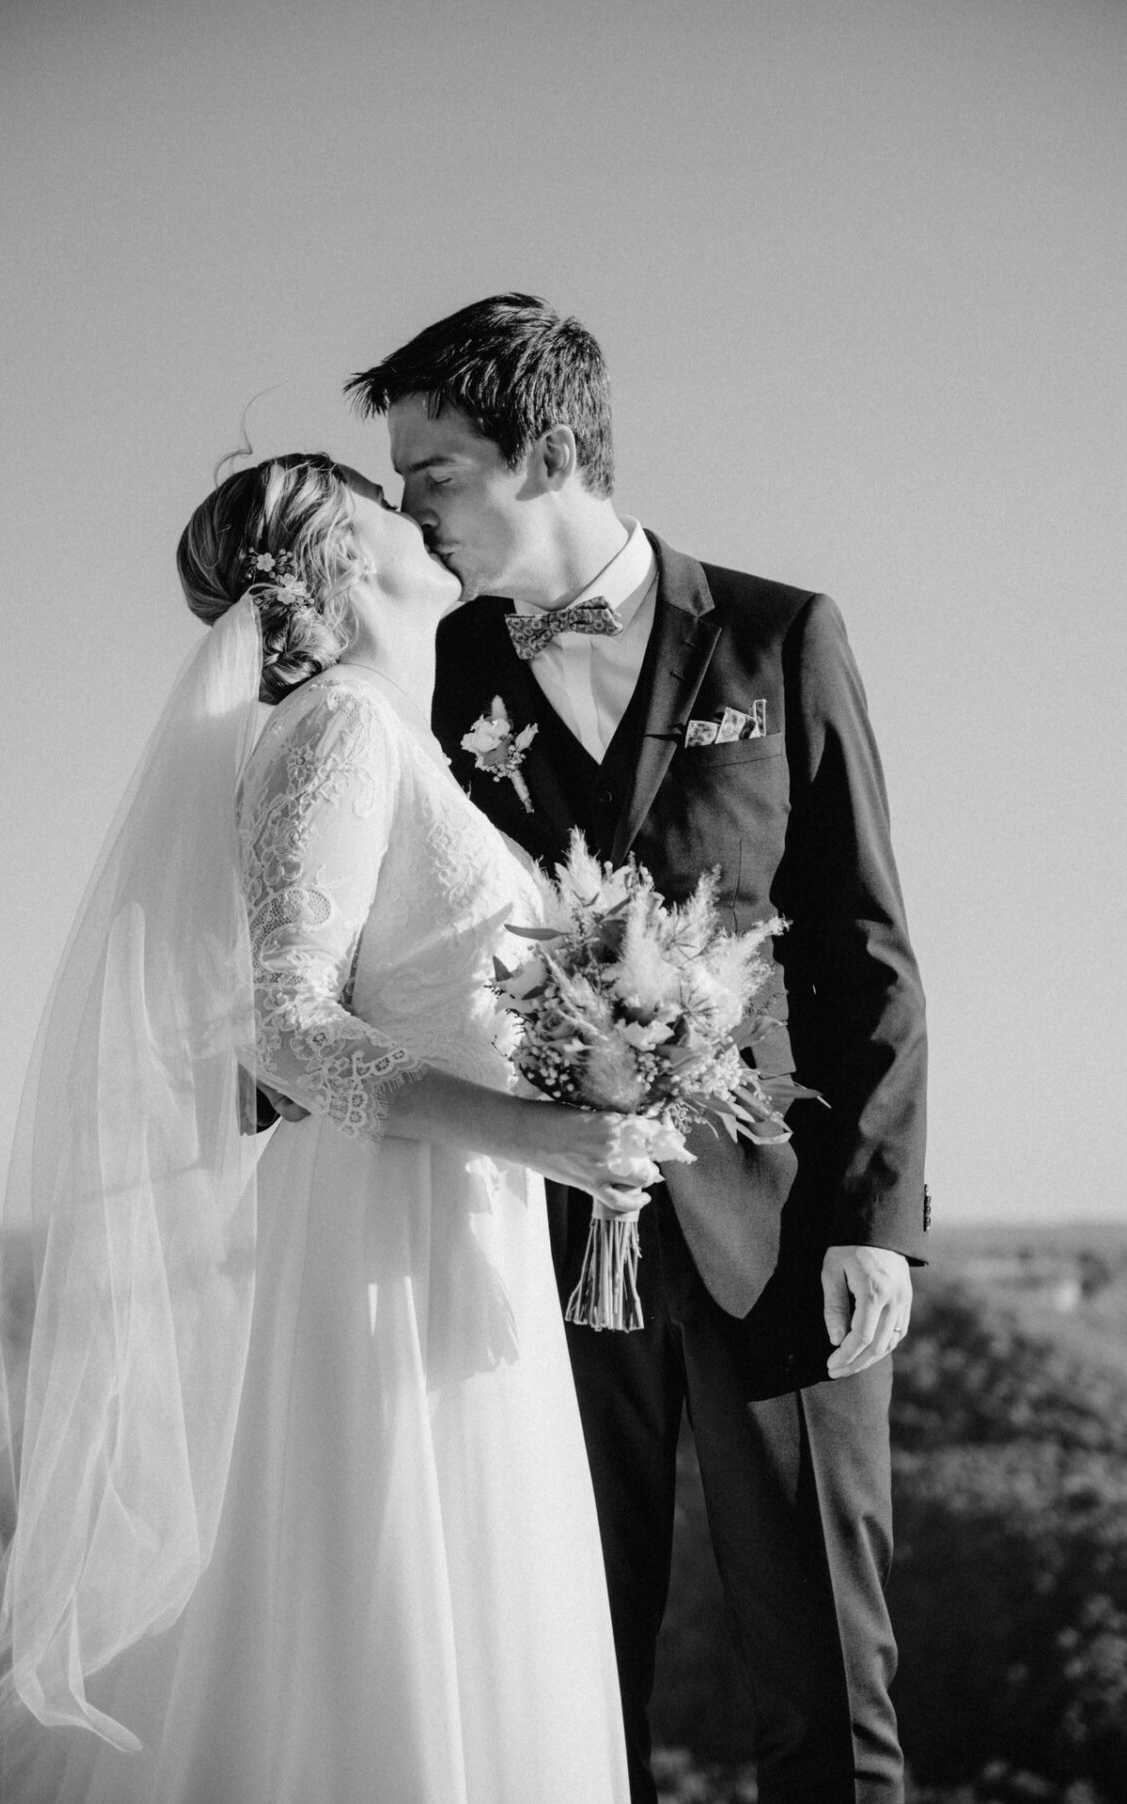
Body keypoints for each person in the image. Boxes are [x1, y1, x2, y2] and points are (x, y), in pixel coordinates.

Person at [0, 453, 634, 1803]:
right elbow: (288, 1029)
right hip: (386, 1238)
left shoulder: (393, 732)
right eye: (382, 496)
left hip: (458, 1215)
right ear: (341, 561)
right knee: (376, 1621)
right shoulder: (344, 727)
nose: (415, 505)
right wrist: (536, 1134)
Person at [345, 296, 930, 1804]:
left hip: (774, 1235)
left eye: (435, 473)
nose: (408, 512)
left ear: (544, 450)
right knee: (562, 1674)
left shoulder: (780, 634)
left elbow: (865, 948)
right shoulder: (436, 665)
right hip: (522, 1248)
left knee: (823, 1689)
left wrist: (872, 1223)